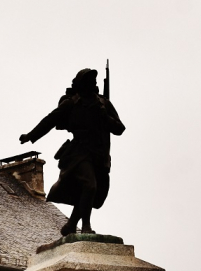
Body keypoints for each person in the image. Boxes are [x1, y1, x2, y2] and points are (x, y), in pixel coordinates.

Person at [19, 68, 125, 236]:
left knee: (89, 191)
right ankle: (86, 226)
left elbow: (119, 129)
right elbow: (50, 120)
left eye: (94, 82)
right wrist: (31, 135)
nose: (93, 85)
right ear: (81, 84)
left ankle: (71, 224)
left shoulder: (103, 104)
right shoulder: (72, 103)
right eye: (89, 82)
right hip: (79, 152)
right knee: (90, 186)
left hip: (99, 154)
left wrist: (104, 116)